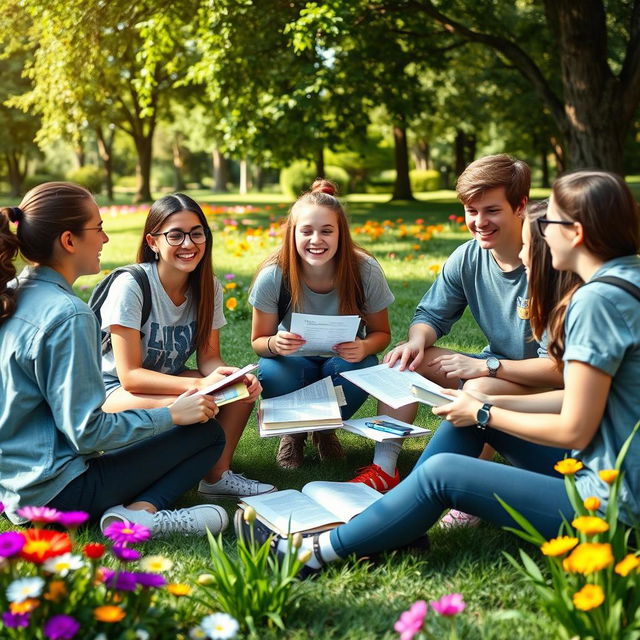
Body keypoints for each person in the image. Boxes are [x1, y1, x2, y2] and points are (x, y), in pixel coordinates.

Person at [236, 169, 640, 571]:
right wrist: (481, 404)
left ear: (577, 233)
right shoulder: (623, 282)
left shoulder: (597, 303)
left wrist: (483, 411)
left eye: (547, 221)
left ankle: (312, 553)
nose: (537, 232)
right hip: (603, 469)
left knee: (443, 471)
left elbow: (576, 428)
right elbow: (584, 398)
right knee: (474, 412)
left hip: (613, 501)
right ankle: (395, 523)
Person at [0, 183, 228, 536]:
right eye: (98, 227)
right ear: (69, 241)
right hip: (56, 494)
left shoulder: (14, 294)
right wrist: (169, 415)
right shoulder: (68, 316)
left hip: (14, 486)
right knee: (208, 435)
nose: (105, 239)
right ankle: (141, 514)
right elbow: (88, 434)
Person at [350, 155, 561, 507]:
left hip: (549, 385)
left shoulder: (551, 265)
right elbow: (430, 315)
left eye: (491, 210)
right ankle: (385, 468)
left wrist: (486, 367)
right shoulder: (468, 257)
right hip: (498, 368)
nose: (479, 222)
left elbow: (560, 370)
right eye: (471, 211)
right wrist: (416, 342)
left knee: (478, 387)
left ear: (521, 206)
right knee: (404, 362)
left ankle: (468, 497)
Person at [97, 193, 273, 500]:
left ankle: (217, 476)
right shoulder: (132, 286)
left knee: (240, 392)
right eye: (175, 235)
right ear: (153, 242)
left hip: (169, 383)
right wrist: (201, 385)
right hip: (114, 392)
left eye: (196, 233)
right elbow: (130, 376)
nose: (188, 244)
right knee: (193, 403)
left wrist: (228, 377)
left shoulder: (208, 287)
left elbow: (209, 358)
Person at [249, 179, 394, 468]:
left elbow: (382, 333)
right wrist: (275, 344)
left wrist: (364, 346)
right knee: (270, 370)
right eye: (307, 231)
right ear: (292, 235)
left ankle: (325, 430)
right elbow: (259, 342)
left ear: (341, 234)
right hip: (293, 362)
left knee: (364, 368)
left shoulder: (364, 271)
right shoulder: (274, 274)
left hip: (341, 361)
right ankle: (294, 433)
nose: (316, 240)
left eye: (327, 231)